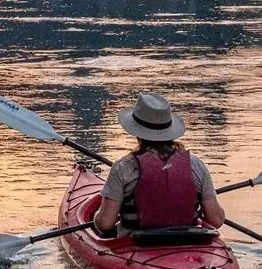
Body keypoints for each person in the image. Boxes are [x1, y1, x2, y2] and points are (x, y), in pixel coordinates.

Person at [93, 92, 224, 235]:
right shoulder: (196, 165)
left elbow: (105, 224)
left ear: (137, 134)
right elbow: (216, 220)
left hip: (137, 246)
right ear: (169, 131)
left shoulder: (123, 168)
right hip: (188, 243)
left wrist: (97, 217)